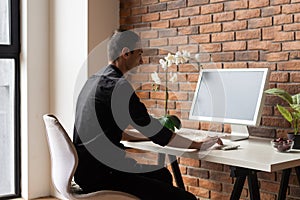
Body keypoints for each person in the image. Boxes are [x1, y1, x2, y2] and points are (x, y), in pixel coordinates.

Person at [73, 29, 222, 200]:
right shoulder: (119, 87)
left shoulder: (93, 80)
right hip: (105, 175)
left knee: (162, 175)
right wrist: (198, 145)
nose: (142, 60)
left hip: (85, 171)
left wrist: (145, 136)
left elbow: (111, 131)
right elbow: (157, 133)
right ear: (125, 53)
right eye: (139, 53)